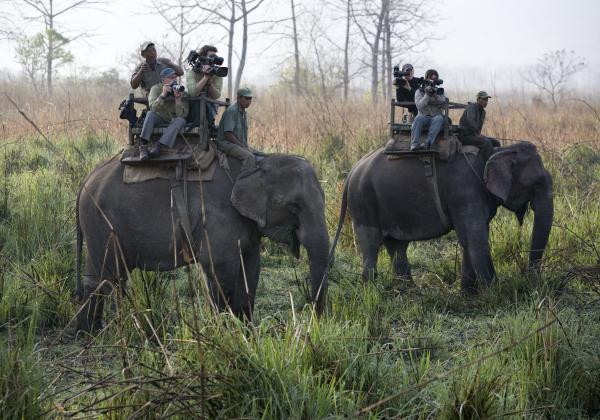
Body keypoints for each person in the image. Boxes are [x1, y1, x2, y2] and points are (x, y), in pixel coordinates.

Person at [138, 68, 189, 160]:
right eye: (170, 78)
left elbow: (182, 115)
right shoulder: (156, 89)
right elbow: (153, 108)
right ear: (163, 80)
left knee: (181, 120)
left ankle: (159, 146)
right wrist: (162, 95)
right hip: (159, 117)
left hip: (173, 120)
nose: (173, 80)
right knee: (150, 114)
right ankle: (143, 146)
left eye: (175, 78)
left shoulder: (182, 92)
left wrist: (178, 99)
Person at [216, 87, 256, 174]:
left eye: (250, 99)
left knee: (258, 153)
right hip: (226, 144)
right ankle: (243, 183)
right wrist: (243, 147)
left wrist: (245, 146)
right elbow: (228, 134)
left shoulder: (243, 113)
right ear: (238, 98)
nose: (249, 101)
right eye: (246, 98)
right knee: (250, 157)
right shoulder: (232, 111)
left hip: (237, 144)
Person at [185, 45, 224, 130]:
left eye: (215, 57)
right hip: (193, 108)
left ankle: (209, 126)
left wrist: (209, 81)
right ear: (202, 58)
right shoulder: (192, 72)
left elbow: (216, 95)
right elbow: (193, 93)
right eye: (211, 57)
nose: (213, 60)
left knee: (208, 104)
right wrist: (205, 78)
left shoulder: (216, 73)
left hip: (210, 107)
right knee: (197, 101)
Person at [458, 91, 501, 161]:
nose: (486, 102)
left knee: (496, 143)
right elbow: (470, 121)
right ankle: (486, 164)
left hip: (474, 135)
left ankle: (495, 161)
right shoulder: (471, 106)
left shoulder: (483, 112)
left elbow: (479, 128)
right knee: (486, 142)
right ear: (478, 99)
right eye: (484, 99)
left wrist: (478, 135)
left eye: (487, 100)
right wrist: (478, 135)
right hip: (465, 136)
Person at [411, 69, 447, 151]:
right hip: (424, 116)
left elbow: (444, 105)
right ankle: (414, 144)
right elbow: (419, 106)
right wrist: (427, 95)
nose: (433, 82)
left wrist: (435, 95)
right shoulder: (419, 91)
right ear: (426, 79)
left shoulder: (440, 91)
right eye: (431, 79)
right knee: (418, 119)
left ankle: (428, 143)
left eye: (435, 79)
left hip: (436, 116)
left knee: (439, 118)